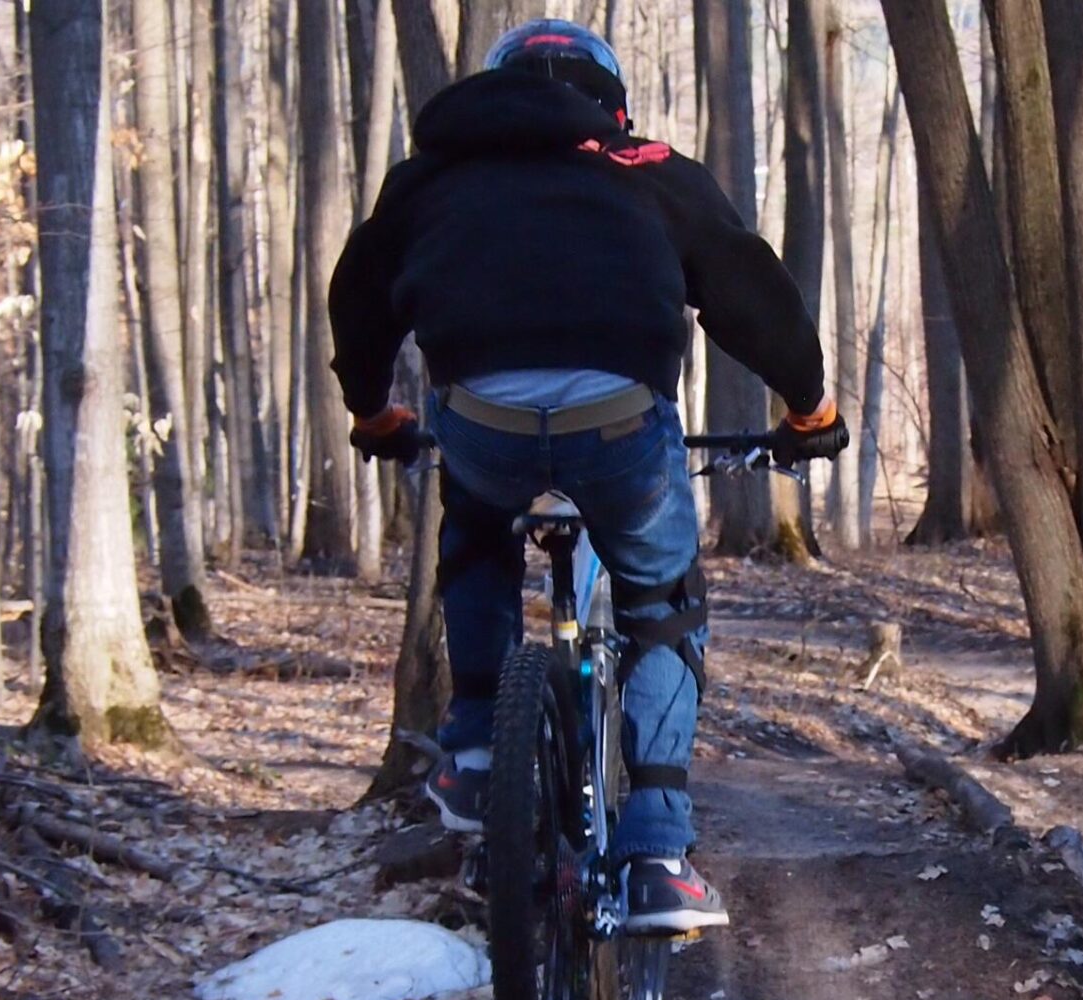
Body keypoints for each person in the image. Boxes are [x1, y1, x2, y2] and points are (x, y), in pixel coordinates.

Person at [327, 19, 845, 934]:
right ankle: (654, 849)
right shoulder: (645, 167)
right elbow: (745, 284)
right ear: (607, 100)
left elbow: (360, 294)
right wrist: (809, 407)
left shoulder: (434, 175)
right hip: (619, 425)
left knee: (477, 532)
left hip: (481, 421)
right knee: (660, 601)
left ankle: (480, 744)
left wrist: (373, 413)